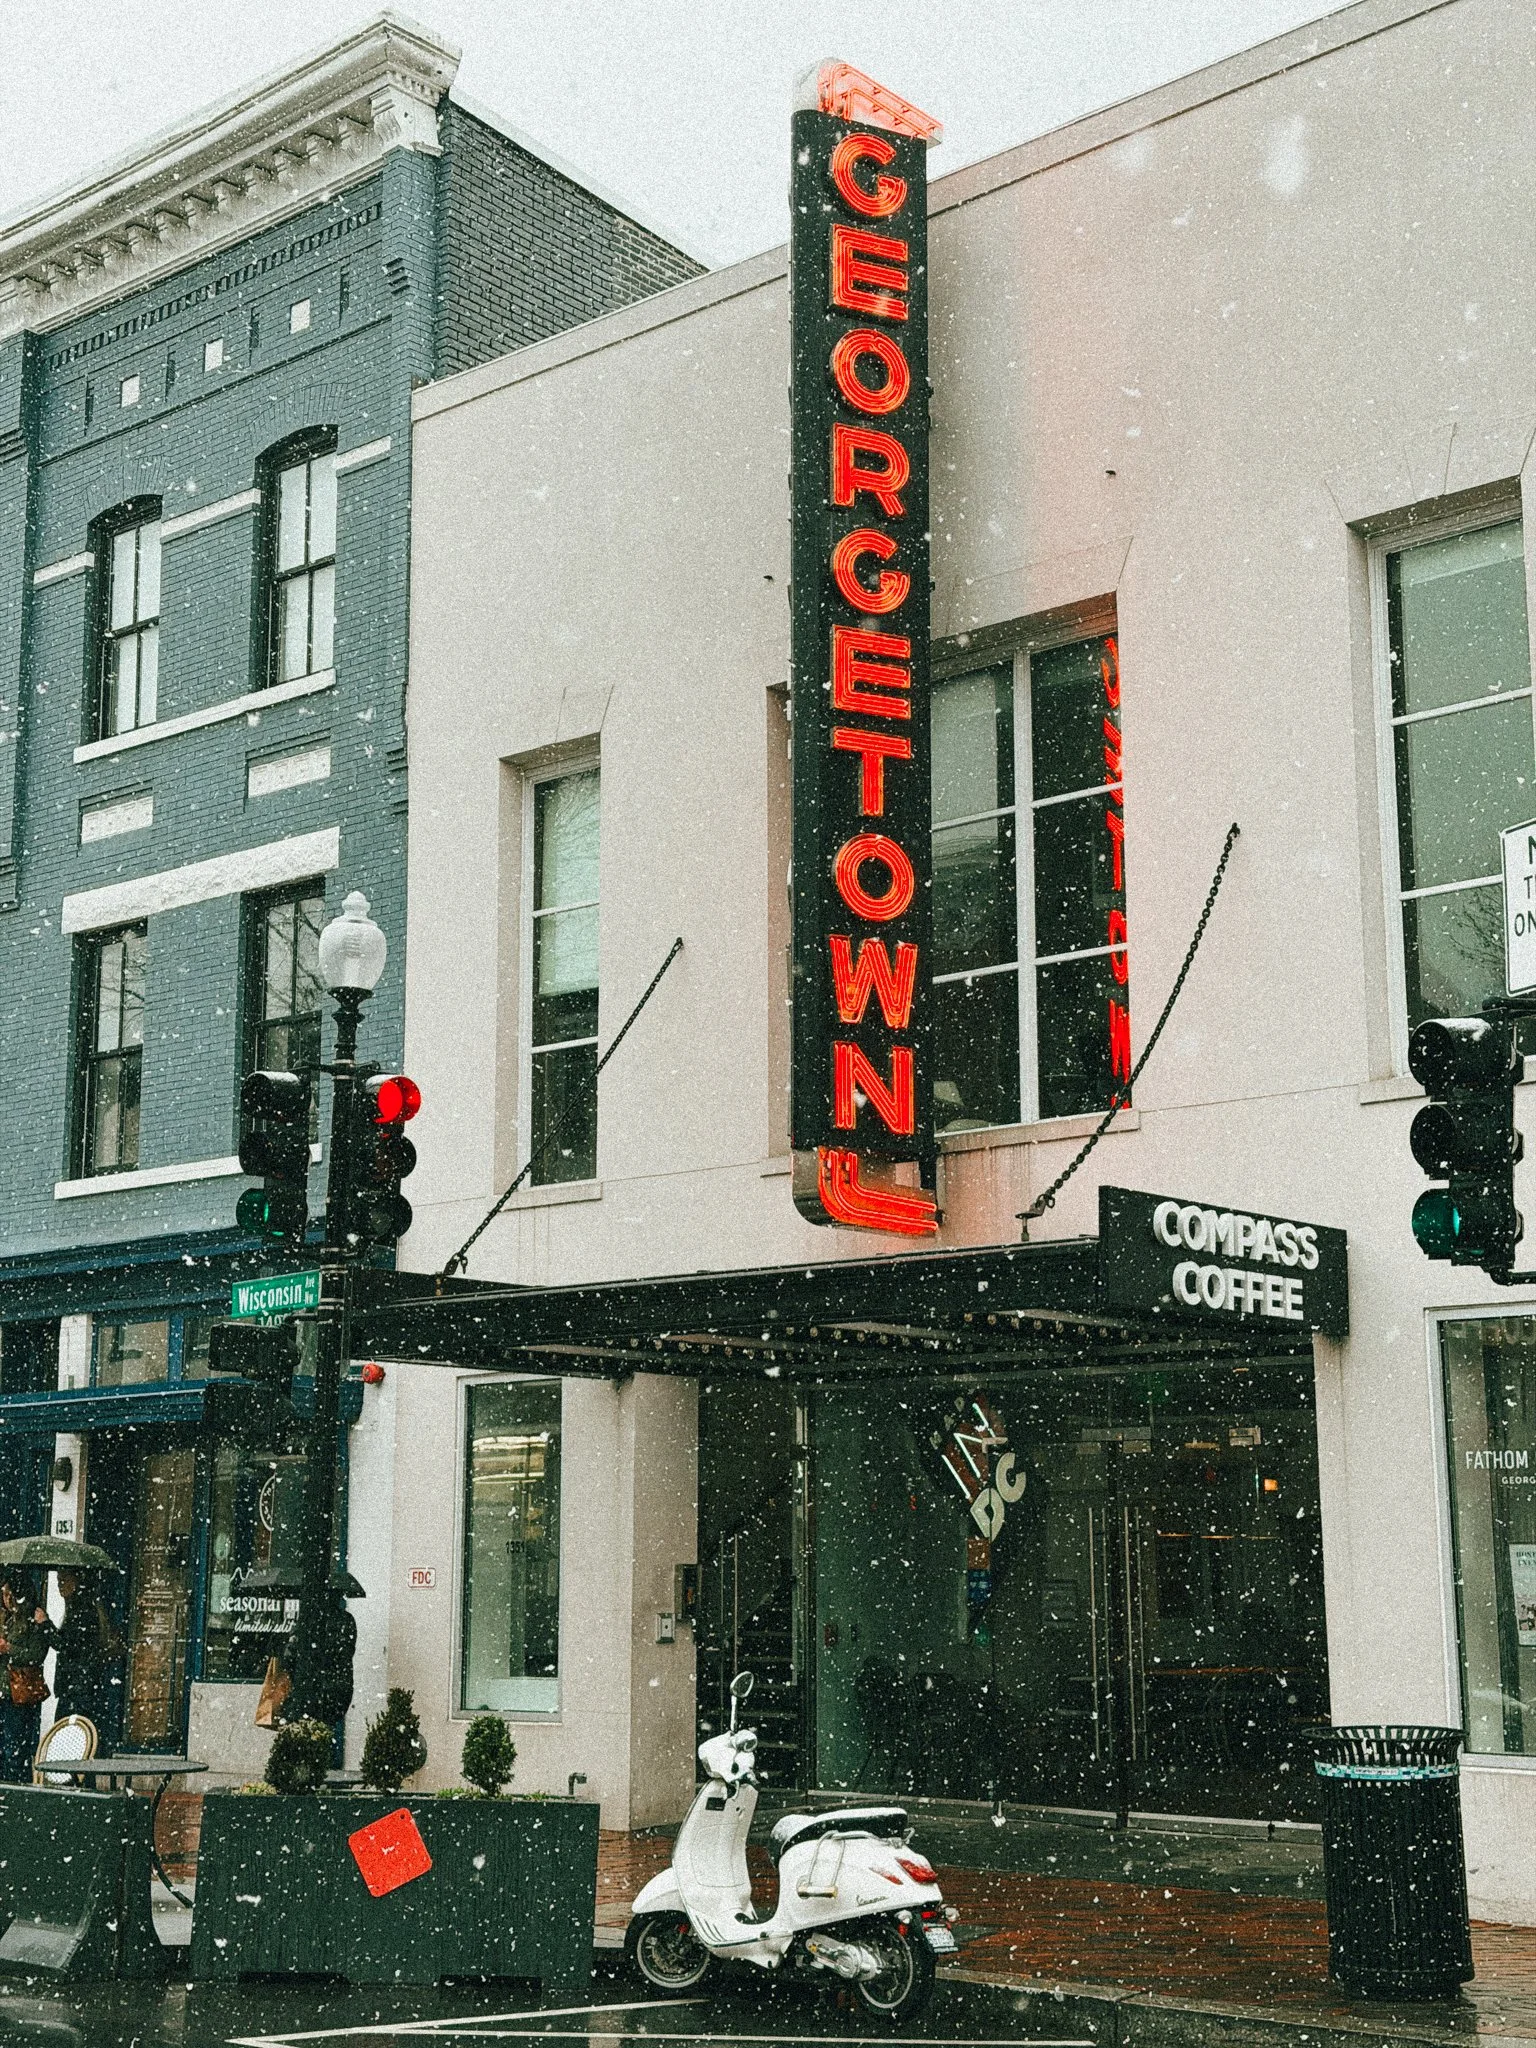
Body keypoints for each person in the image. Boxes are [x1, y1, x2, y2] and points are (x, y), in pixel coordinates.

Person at [0, 1572, 58, 1784]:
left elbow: (35, 1655)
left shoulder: (34, 1619)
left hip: (19, 1692)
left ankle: (15, 1786)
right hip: (4, 1690)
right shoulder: (6, 1618)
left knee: (15, 1748)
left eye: (8, 1593)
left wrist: (8, 1648)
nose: (5, 1598)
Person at [52, 1568, 124, 1732]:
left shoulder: (82, 1610)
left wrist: (45, 1625)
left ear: (76, 1582)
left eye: (64, 1580)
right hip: (78, 1684)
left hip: (77, 1685)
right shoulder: (81, 1607)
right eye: (58, 1580)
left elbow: (67, 1644)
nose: (59, 1585)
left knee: (70, 1730)